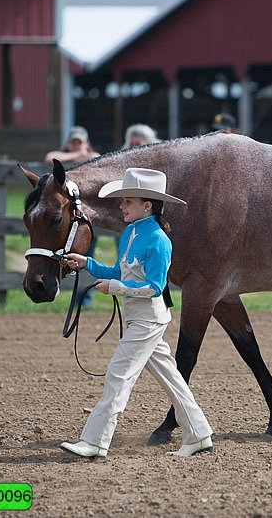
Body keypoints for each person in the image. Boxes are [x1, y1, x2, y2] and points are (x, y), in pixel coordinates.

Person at [60, 168, 213, 458]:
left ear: (147, 205)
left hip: (148, 319)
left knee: (119, 375)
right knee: (171, 378)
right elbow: (119, 272)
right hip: (139, 318)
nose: (121, 206)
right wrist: (86, 263)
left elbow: (155, 287)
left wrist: (115, 287)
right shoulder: (130, 232)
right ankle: (199, 434)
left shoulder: (158, 240)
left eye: (127, 201)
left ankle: (95, 441)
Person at [44, 126, 101, 306]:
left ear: (87, 143)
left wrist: (78, 155)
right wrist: (78, 155)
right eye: (73, 142)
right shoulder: (60, 156)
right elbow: (50, 157)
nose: (76, 145)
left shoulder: (92, 157)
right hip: (66, 218)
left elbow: (96, 157)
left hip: (85, 218)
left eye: (79, 142)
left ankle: (84, 299)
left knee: (86, 256)